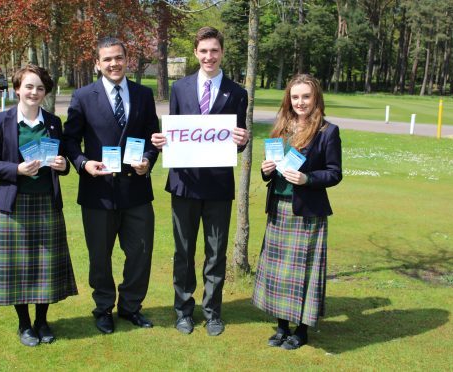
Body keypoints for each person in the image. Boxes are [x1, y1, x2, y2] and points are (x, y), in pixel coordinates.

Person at [151, 26, 249, 336]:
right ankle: (183, 311)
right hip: (184, 183)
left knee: (216, 252)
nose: (209, 56)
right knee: (183, 251)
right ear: (196, 53)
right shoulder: (179, 88)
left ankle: (213, 311)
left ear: (222, 53)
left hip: (218, 186)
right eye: (203, 51)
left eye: (214, 50)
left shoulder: (237, 93)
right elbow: (176, 132)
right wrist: (163, 140)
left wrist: (242, 139)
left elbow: (240, 141)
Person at [63, 37, 159, 335]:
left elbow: (153, 138)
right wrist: (82, 163)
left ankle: (130, 307)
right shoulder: (82, 96)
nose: (114, 64)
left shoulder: (144, 94)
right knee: (99, 257)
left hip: (136, 192)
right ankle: (103, 307)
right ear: (97, 64)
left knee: (140, 254)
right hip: (98, 191)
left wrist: (147, 159)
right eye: (107, 59)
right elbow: (69, 140)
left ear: (127, 59)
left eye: (118, 58)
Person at [0, 65, 78, 347]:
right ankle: (24, 324)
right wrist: (17, 169)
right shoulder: (1, 121)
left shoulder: (53, 122)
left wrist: (62, 165)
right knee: (19, 269)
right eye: (28, 87)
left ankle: (42, 321)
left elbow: (60, 163)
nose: (34, 92)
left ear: (45, 92)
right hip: (14, 206)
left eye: (39, 88)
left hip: (46, 203)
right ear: (17, 89)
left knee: (45, 267)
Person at [252, 74, 342, 350]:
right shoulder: (281, 128)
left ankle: (301, 331)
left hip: (307, 212)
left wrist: (308, 179)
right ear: (288, 99)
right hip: (279, 208)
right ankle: (281, 327)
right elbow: (274, 167)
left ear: (316, 98)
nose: (300, 102)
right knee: (280, 272)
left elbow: (334, 173)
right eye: (295, 97)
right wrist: (265, 170)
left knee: (303, 272)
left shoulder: (327, 131)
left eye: (305, 96)